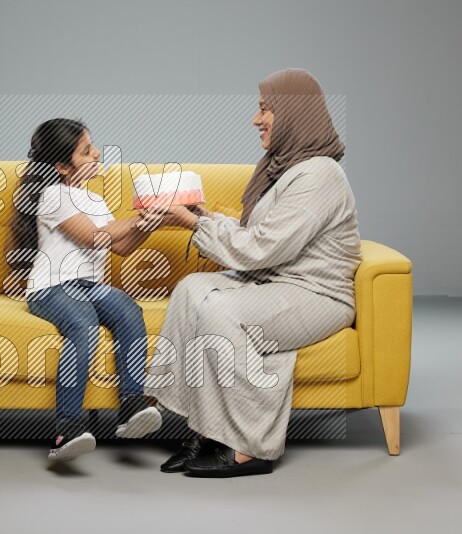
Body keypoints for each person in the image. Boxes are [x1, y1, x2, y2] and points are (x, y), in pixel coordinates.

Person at [140, 68, 363, 478]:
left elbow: (262, 248)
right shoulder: (284, 167)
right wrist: (199, 216)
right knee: (191, 289)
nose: (255, 119)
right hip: (277, 281)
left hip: (316, 294)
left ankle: (248, 447)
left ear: (294, 112)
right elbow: (257, 236)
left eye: (265, 109)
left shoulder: (320, 175)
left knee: (224, 313)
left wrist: (195, 225)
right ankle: (207, 429)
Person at [12, 118, 164, 461]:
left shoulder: (94, 201)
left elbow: (119, 247)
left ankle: (130, 406)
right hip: (51, 287)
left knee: (127, 309)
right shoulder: (54, 195)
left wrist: (149, 225)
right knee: (83, 323)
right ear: (63, 167)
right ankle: (66, 427)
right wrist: (139, 219)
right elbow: (91, 237)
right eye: (86, 150)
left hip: (88, 286)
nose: (97, 153)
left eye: (93, 145)